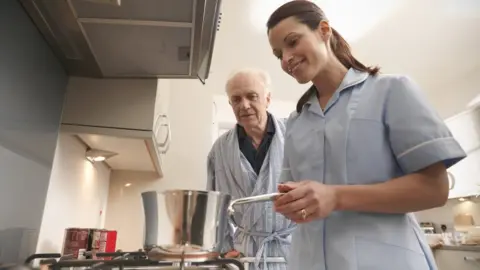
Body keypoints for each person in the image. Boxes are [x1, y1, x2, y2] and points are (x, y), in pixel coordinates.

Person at [266, 1, 467, 270]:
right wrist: (291, 203)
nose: (286, 59)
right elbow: (296, 199)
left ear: (324, 31)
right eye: (279, 54)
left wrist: (335, 196)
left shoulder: (391, 91)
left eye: (292, 42)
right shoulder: (295, 122)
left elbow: (434, 189)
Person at [206, 68, 295, 270]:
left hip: (291, 252)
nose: (244, 105)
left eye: (252, 97)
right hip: (243, 257)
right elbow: (215, 208)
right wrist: (224, 254)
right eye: (236, 99)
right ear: (230, 104)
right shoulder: (219, 149)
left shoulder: (295, 134)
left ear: (267, 99)